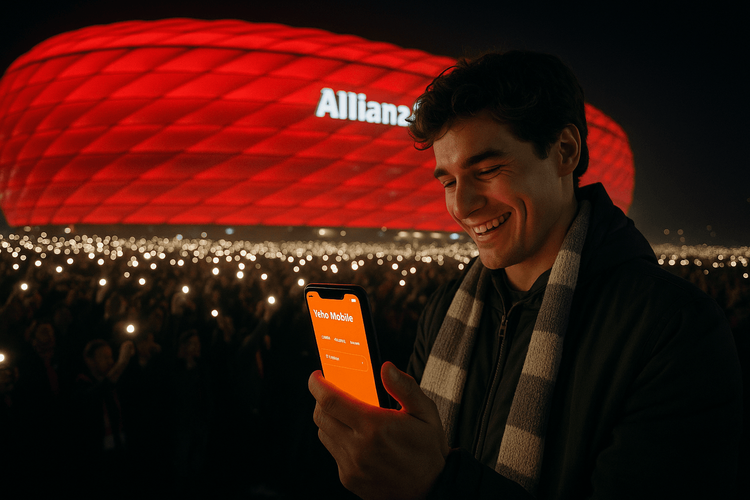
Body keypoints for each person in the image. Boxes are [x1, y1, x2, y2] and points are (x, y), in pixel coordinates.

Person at [308, 51, 743, 499]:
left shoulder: (671, 329)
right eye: (449, 182)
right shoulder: (444, 308)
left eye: (488, 170)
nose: (461, 206)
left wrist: (439, 486)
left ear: (565, 152)